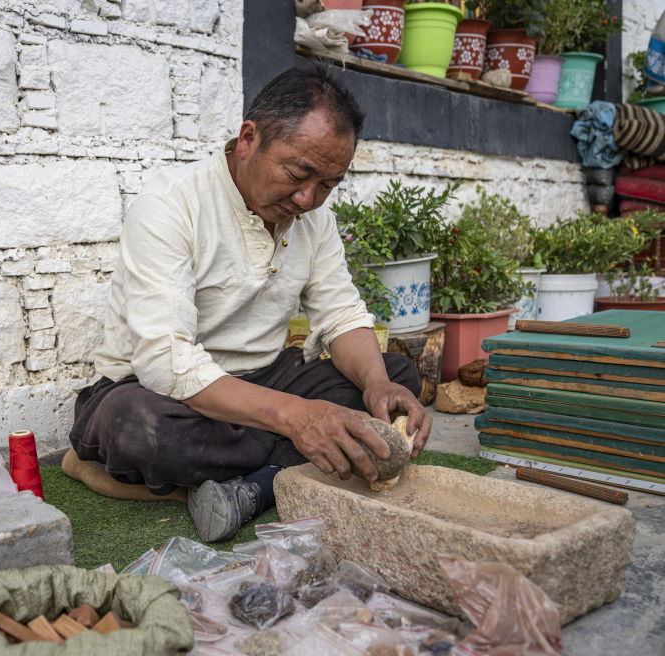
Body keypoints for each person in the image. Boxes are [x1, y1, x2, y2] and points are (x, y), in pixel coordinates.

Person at [65, 62, 431, 542]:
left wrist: (376, 384)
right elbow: (165, 360)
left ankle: (246, 485)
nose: (307, 198)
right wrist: (299, 418)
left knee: (393, 379)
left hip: (264, 381)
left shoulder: (313, 219)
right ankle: (279, 471)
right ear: (248, 139)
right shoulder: (169, 206)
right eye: (299, 173)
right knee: (138, 428)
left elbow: (340, 314)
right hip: (162, 392)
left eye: (327, 185)